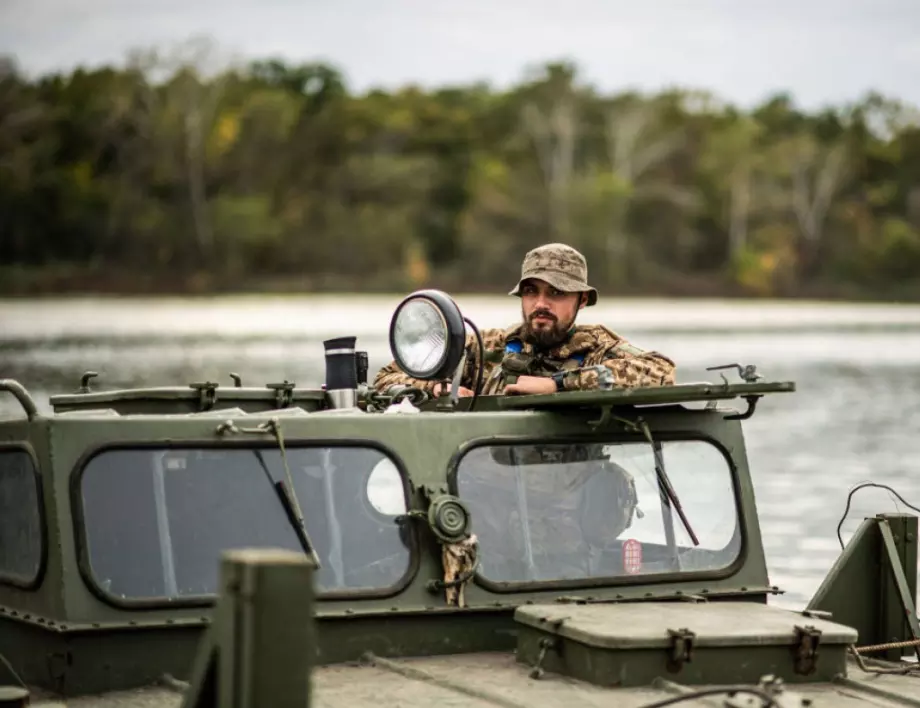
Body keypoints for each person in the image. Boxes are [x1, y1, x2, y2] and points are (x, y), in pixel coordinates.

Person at [374, 242, 676, 397]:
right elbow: (385, 378)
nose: (541, 304)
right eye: (532, 292)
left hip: (568, 500)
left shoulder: (595, 349)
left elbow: (662, 373)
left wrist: (557, 385)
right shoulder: (489, 347)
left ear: (582, 300)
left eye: (556, 293)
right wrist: (433, 388)